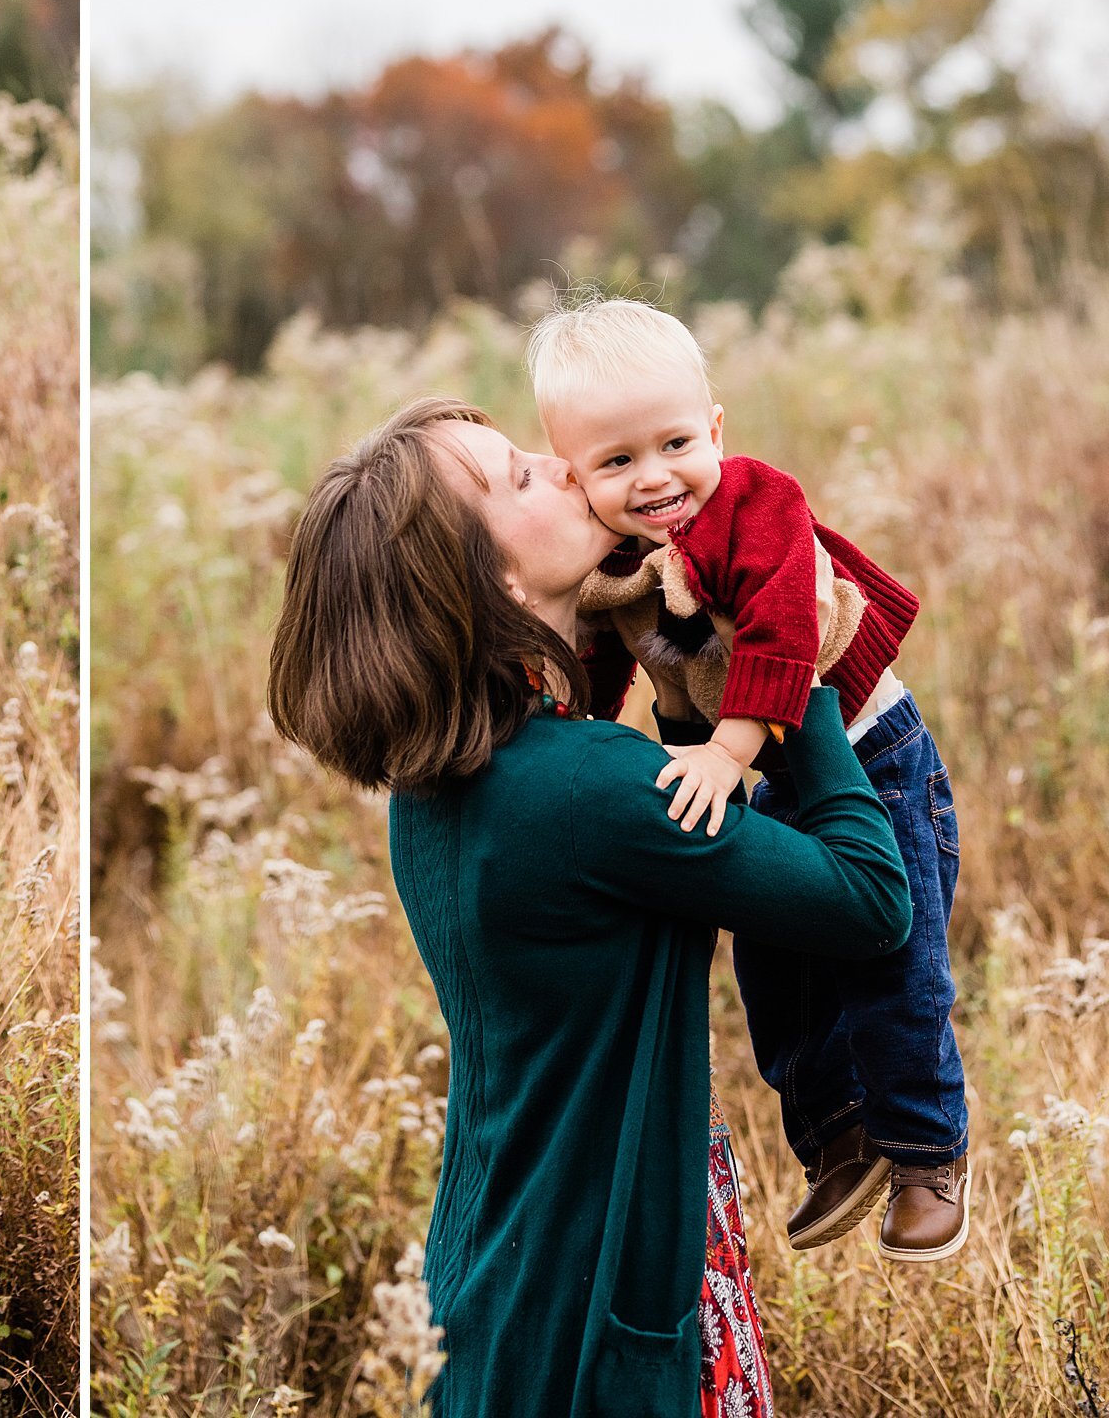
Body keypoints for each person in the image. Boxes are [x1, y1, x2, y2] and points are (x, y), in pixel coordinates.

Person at [266, 397, 912, 1417]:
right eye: (518, 477)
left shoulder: (442, 781)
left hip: (495, 1286)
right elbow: (872, 898)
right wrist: (796, 663)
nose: (563, 466)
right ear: (495, 584)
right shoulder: (585, 790)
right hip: (598, 1315)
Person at [531, 297, 968, 1262]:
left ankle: (928, 1151)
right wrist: (574, 732)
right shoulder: (613, 562)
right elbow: (605, 659)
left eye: (675, 443)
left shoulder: (755, 504)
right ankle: (838, 1137)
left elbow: (781, 628)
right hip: (771, 771)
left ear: (715, 430)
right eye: (616, 462)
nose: (655, 480)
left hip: (870, 752)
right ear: (573, 472)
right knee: (774, 972)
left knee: (893, 969)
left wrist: (727, 753)